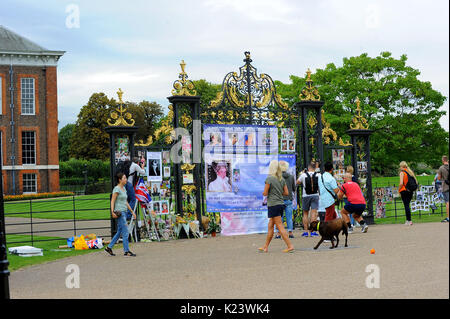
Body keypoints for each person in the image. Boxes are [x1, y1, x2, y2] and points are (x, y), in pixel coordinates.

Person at [258, 160, 294, 253]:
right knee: (271, 225)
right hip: (280, 204)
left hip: (273, 204)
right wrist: (278, 193)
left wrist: (266, 192)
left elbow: (265, 193)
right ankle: (265, 246)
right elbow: (286, 192)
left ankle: (290, 246)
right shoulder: (281, 179)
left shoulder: (269, 178)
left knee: (279, 226)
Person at [105, 172, 136, 257]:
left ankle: (109, 247)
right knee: (125, 232)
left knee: (119, 232)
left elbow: (125, 202)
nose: (126, 179)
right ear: (120, 180)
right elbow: (112, 201)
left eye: (126, 178)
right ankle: (126, 251)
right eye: (124, 178)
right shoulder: (116, 189)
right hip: (120, 212)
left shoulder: (124, 189)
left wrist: (132, 211)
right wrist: (112, 212)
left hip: (124, 211)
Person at [297, 162, 320, 237]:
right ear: (315, 168)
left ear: (308, 167)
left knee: (305, 213)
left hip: (305, 195)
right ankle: (313, 231)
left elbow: (297, 182)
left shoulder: (303, 175)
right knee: (314, 213)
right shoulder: (318, 175)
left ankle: (306, 231)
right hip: (315, 195)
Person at [279, 161, 296, 238]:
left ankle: (279, 233)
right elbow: (293, 189)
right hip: (289, 199)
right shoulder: (291, 177)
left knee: (279, 217)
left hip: (280, 199)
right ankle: (290, 232)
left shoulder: (277, 177)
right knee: (289, 217)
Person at [398, 161, 417, 226]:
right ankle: (409, 220)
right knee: (407, 205)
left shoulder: (402, 173)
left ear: (401, 166)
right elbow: (416, 182)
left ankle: (408, 220)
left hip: (404, 190)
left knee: (406, 205)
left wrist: (399, 189)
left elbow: (401, 183)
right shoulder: (410, 172)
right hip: (410, 191)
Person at [438, 155, 449, 222]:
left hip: (446, 186)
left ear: (442, 160)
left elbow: (439, 178)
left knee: (447, 202)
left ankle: (448, 217)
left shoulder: (441, 168)